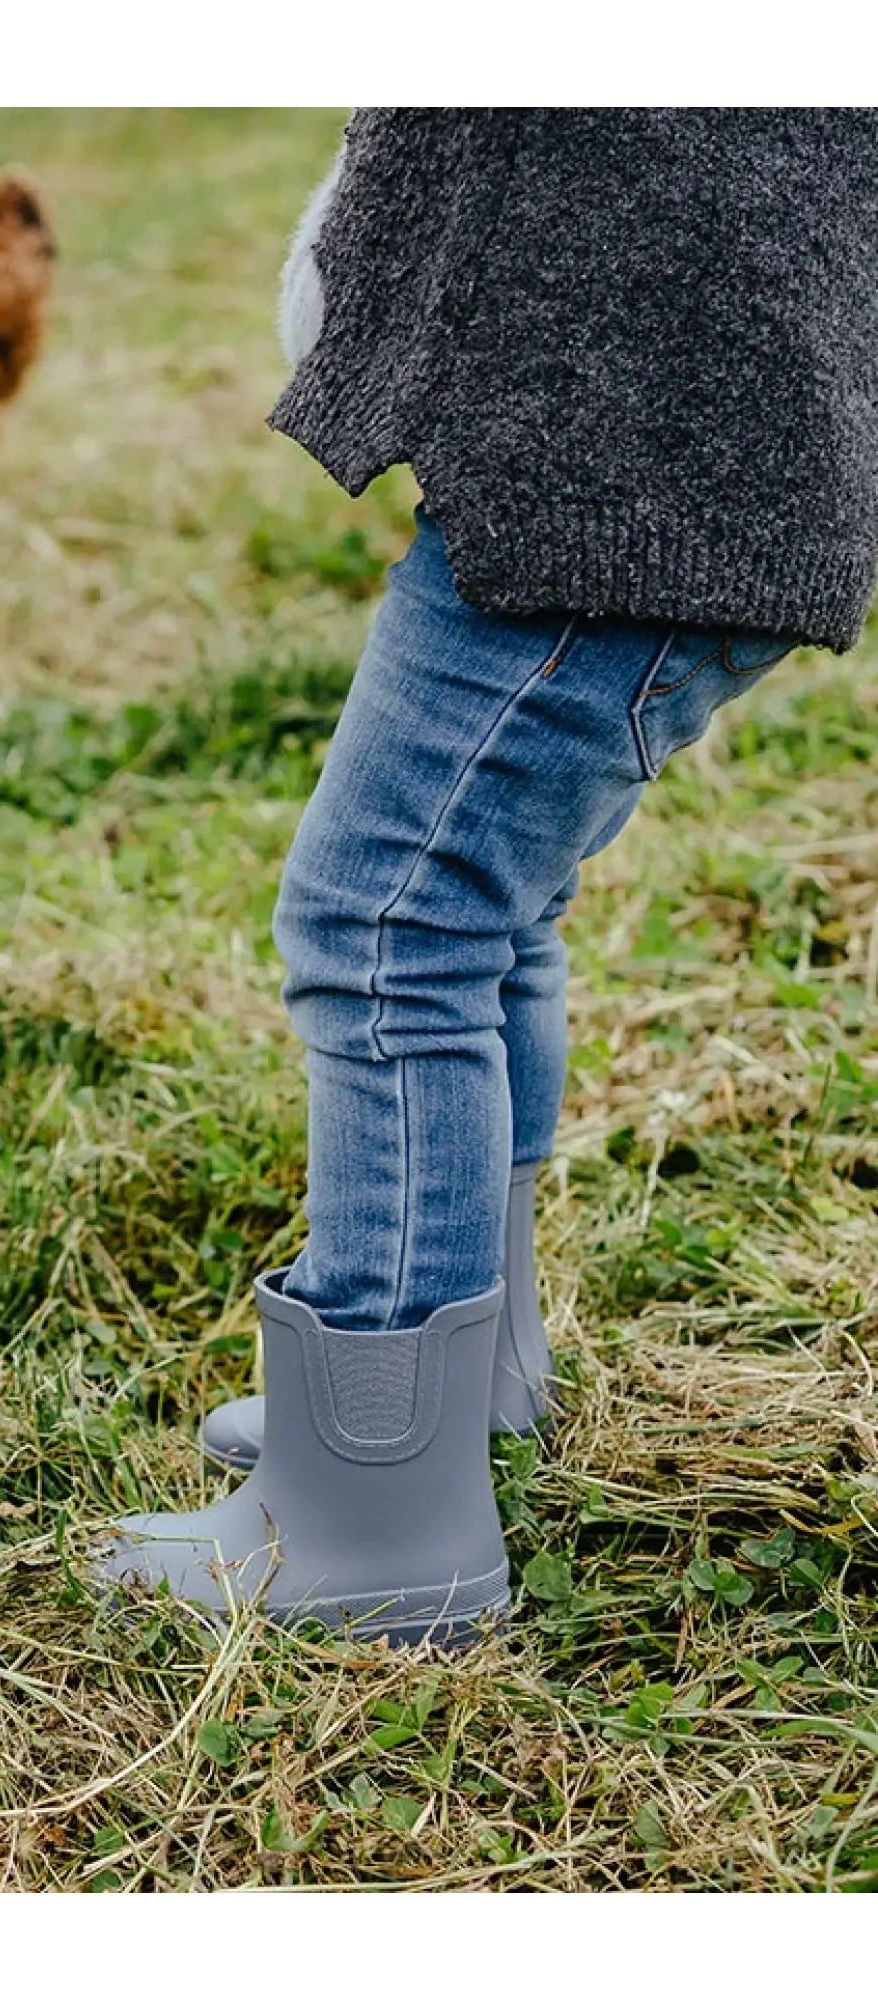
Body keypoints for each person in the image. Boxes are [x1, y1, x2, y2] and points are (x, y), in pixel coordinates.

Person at [99, 106, 878, 1646]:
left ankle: (375, 1516)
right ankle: (468, 1385)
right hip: (693, 419)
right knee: (485, 905)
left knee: (392, 919)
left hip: (636, 437)